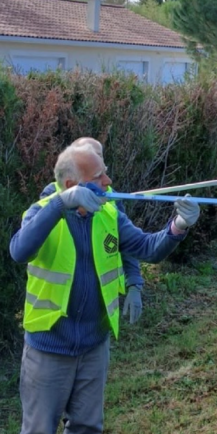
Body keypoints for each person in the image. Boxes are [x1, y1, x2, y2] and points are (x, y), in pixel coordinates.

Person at [5, 141, 200, 434]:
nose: (109, 181)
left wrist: (178, 227)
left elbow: (147, 248)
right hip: (48, 348)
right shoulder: (42, 213)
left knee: (88, 425)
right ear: (73, 184)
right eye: (99, 177)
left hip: (94, 344)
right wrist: (60, 204)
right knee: (39, 432)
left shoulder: (109, 211)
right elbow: (19, 250)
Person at [40, 138, 145, 325]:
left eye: (99, 157)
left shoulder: (110, 196)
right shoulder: (53, 194)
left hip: (100, 304)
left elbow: (127, 241)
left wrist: (134, 283)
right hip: (62, 307)